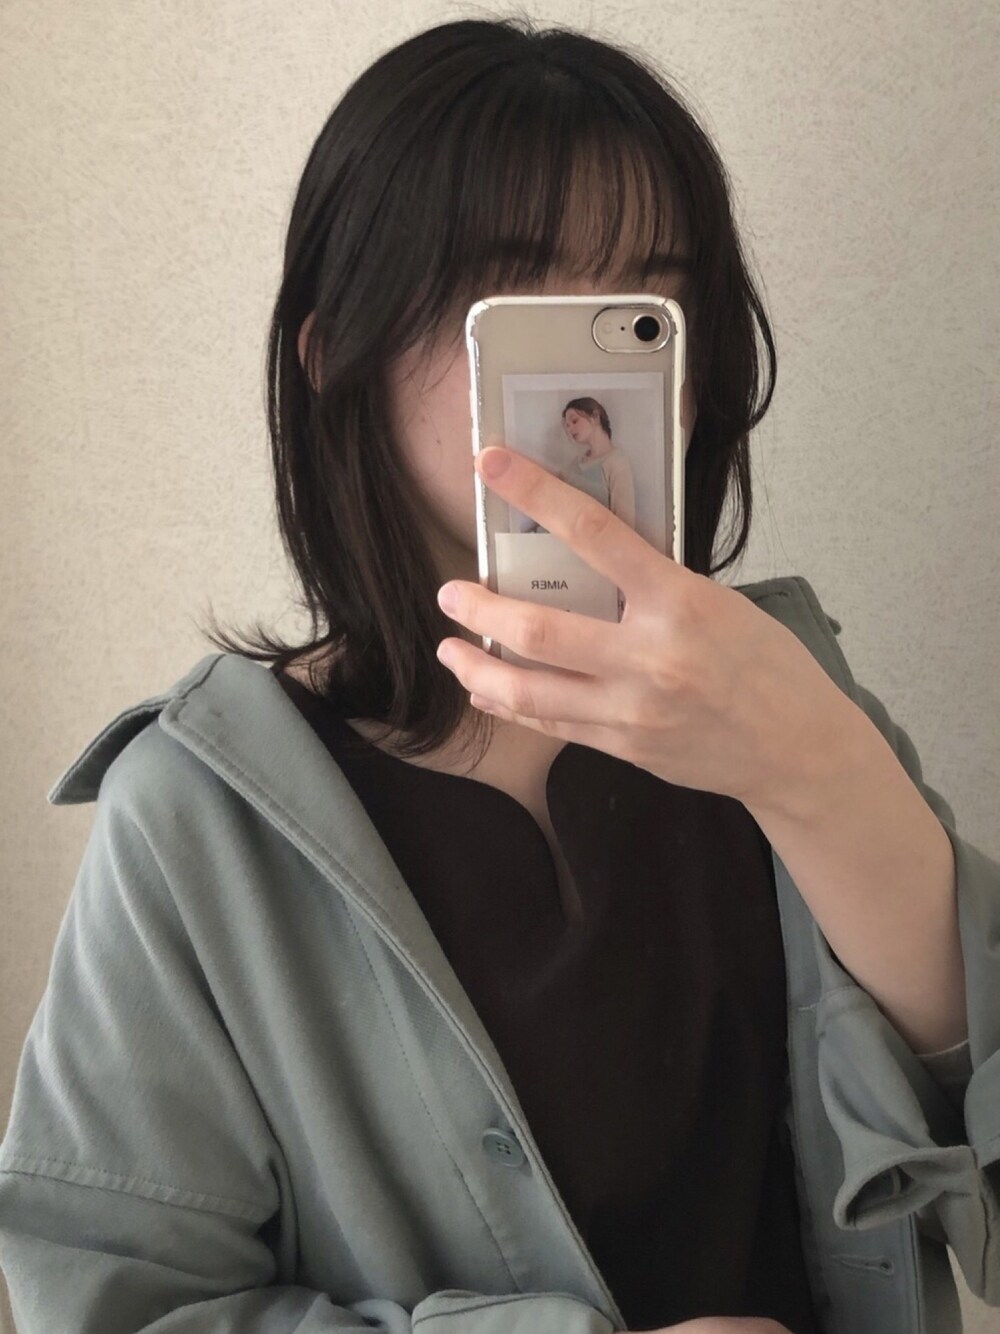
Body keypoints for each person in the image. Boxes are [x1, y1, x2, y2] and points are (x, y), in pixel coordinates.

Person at [0, 16, 997, 1334]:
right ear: (336, 356)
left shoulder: (786, 694)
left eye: (638, 310)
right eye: (513, 302)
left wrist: (820, 772)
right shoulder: (202, 821)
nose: (584, 381)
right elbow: (112, 1302)